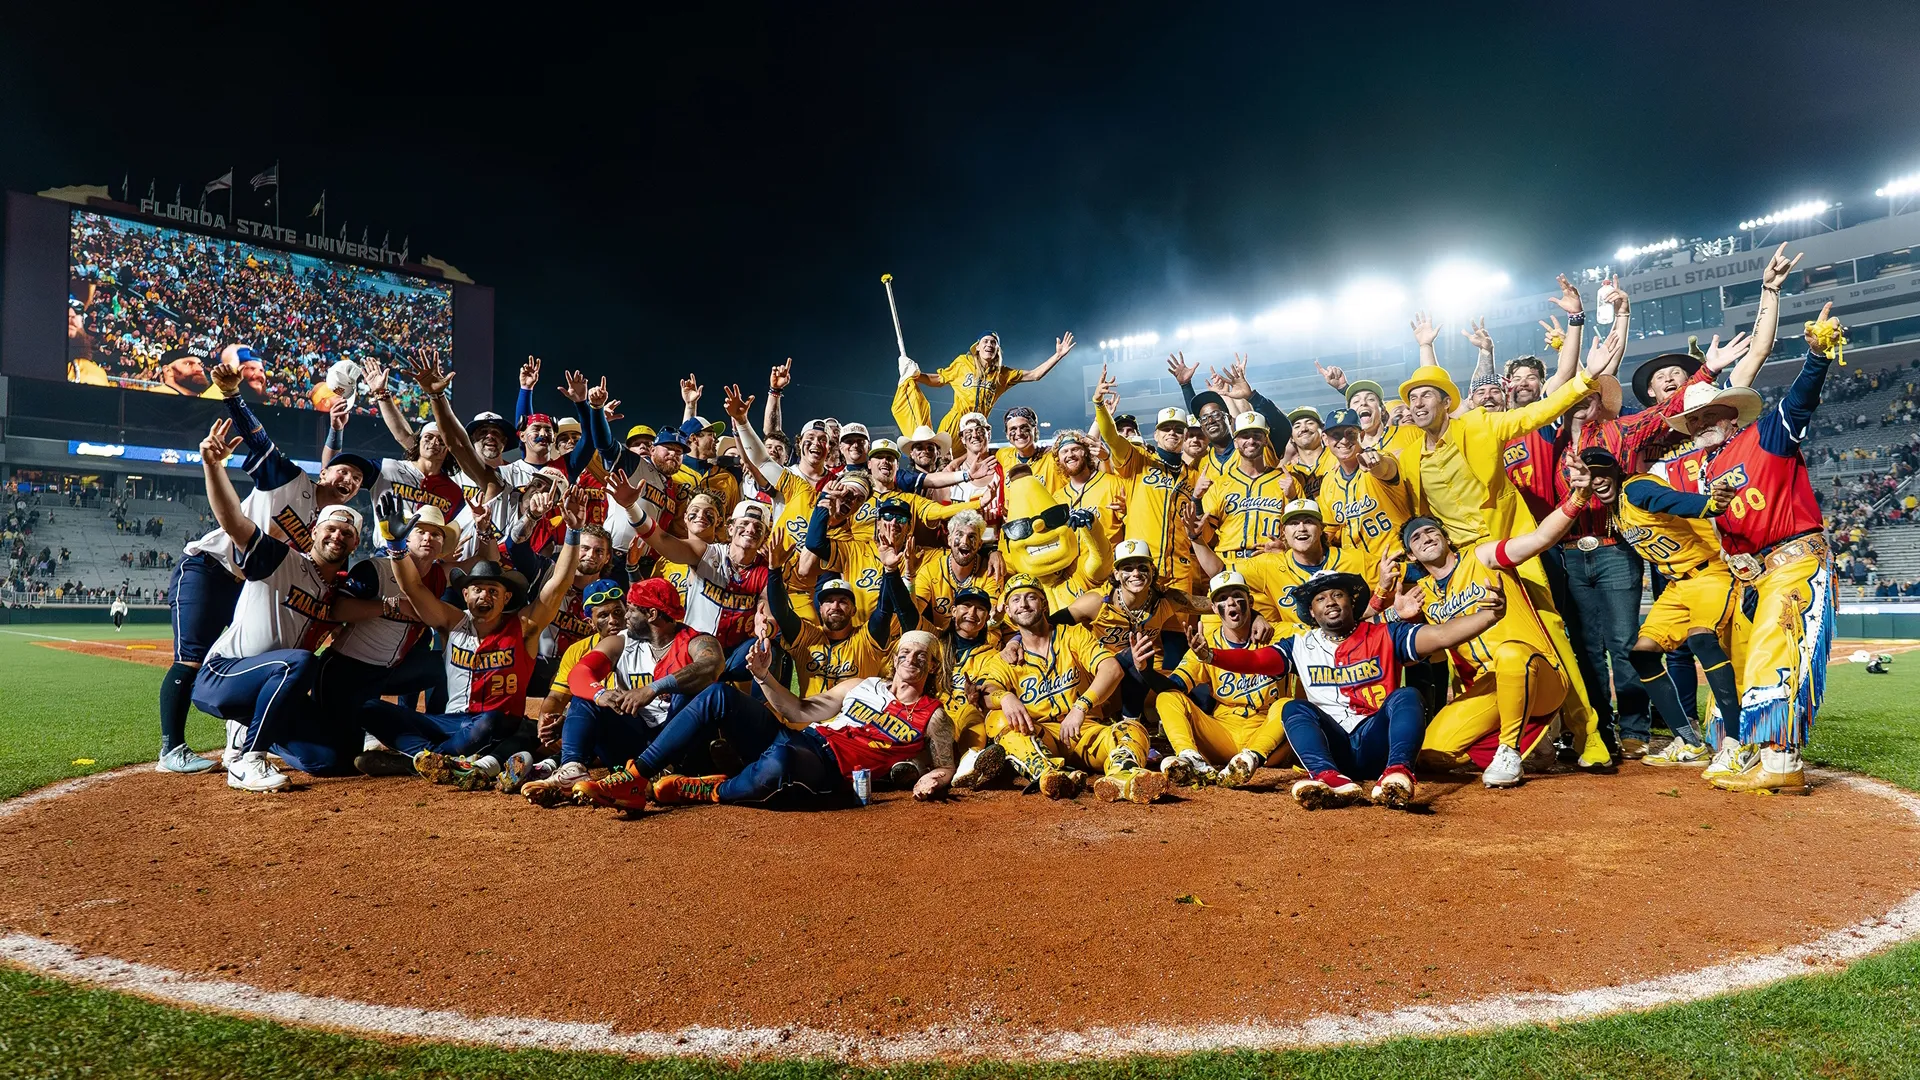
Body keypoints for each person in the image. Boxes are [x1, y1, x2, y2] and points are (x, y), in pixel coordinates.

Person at [1670, 252, 1839, 793]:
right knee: (1742, 660)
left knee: (1774, 648)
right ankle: (1742, 751)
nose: (1698, 424)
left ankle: (1782, 764)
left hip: (1795, 562)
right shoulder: (1705, 468)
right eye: (1692, 419)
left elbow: (1802, 401)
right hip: (1752, 575)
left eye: (1706, 416)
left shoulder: (1765, 434)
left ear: (1730, 414)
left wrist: (1817, 358)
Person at [160, 357, 375, 775]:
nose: (349, 481)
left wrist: (335, 432)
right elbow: (260, 441)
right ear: (324, 472)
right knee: (192, 657)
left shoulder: (322, 528)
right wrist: (232, 396)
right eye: (343, 473)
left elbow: (331, 476)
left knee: (255, 654)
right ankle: (172, 749)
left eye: (356, 481)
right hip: (211, 565)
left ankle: (244, 727)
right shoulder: (291, 481)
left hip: (248, 581)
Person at [1200, 567, 1507, 808]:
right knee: (1293, 707)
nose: (1330, 602)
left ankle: (1397, 773)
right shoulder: (1300, 645)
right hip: (1335, 749)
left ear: (1352, 601)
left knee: (1407, 696)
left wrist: (1490, 615)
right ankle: (1328, 778)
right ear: (1312, 612)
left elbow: (1441, 636)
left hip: (1377, 742)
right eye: (1321, 599)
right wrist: (1212, 655)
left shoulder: (1386, 634)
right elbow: (1255, 660)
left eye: (1338, 594)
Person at [355, 489, 589, 789]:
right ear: (465, 594)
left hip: (493, 724)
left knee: (494, 719)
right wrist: (397, 547)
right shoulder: (451, 621)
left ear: (506, 598)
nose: (484, 596)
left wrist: (573, 531)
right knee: (369, 709)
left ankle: (421, 760)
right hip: (448, 723)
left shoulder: (524, 627)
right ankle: (430, 760)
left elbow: (558, 584)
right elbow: (413, 588)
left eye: (493, 591)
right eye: (477, 589)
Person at [572, 631, 957, 811]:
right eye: (905, 652)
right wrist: (762, 677)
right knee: (720, 695)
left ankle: (712, 790)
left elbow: (946, 765)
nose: (910, 659)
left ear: (933, 666)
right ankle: (636, 776)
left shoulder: (934, 714)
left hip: (829, 770)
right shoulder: (862, 684)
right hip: (804, 738)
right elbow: (799, 711)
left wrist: (934, 779)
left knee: (781, 761)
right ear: (895, 658)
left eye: (921, 655)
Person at [1394, 457, 1596, 788]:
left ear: (1447, 539)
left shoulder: (1483, 556)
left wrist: (1578, 497)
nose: (1426, 537)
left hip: (1537, 673)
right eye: (1416, 538)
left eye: (1431, 531)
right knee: (1431, 753)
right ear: (1412, 556)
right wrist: (1394, 611)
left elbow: (1540, 539)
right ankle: (1536, 745)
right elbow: (1387, 645)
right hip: (1489, 688)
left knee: (1510, 654)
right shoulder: (1423, 595)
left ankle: (1510, 750)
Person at [1574, 447, 1743, 768]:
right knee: (1642, 655)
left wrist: (1708, 505)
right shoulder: (1615, 510)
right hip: (1677, 584)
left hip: (1709, 573)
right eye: (1590, 475)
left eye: (1602, 473)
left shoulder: (1635, 488)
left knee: (1702, 639)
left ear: (1616, 470)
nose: (1598, 480)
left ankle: (1735, 741)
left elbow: (1666, 500)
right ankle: (1689, 741)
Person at [976, 574, 1165, 803]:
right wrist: (1005, 697)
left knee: (1132, 729)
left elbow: (1111, 669)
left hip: (1086, 732)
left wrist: (1081, 706)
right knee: (997, 720)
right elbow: (986, 692)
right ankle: (1050, 774)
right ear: (1008, 610)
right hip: (1041, 737)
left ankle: (1122, 775)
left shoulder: (1073, 635)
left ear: (1044, 604)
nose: (1023, 604)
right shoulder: (1006, 658)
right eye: (1016, 600)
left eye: (1031, 597)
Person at [554, 577, 728, 808]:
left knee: (689, 691)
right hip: (637, 739)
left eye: (631, 610)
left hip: (682, 745)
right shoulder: (621, 642)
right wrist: (600, 694)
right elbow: (580, 673)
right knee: (585, 699)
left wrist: (653, 688)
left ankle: (665, 775)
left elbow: (711, 665)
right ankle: (571, 769)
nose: (624, 617)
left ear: (652, 614)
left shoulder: (695, 641)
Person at [894, 331, 1076, 438]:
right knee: (944, 463)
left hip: (980, 427)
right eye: (985, 341)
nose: (989, 344)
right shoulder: (963, 363)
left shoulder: (1003, 374)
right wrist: (915, 374)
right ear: (978, 347)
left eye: (993, 342)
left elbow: (1035, 375)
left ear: (997, 350)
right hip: (954, 425)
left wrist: (1057, 356)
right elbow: (938, 379)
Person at [1195, 411, 1300, 569]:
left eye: (1257, 435)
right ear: (1235, 443)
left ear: (1265, 440)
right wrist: (1196, 501)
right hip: (1230, 563)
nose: (1251, 441)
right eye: (1245, 436)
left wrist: (1292, 499)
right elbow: (1207, 535)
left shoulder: (1287, 482)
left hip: (1272, 561)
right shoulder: (1219, 484)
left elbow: (1301, 530)